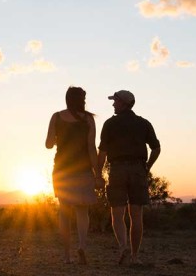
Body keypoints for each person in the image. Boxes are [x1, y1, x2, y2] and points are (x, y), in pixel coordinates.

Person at [96, 90, 160, 265]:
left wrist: (98, 173)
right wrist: (147, 167)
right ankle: (134, 256)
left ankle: (123, 247)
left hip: (117, 169)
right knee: (136, 214)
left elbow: (102, 152)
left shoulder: (109, 124)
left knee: (117, 213)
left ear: (123, 103)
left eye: (115, 101)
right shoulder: (144, 123)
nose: (113, 104)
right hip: (138, 169)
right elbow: (156, 148)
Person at [45, 86, 99, 264]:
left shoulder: (57, 117)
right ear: (80, 100)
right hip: (83, 170)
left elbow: (48, 144)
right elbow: (92, 148)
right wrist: (98, 173)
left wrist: (58, 137)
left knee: (64, 212)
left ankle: (66, 256)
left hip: (62, 170)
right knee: (83, 211)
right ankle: (82, 245)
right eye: (84, 98)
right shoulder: (88, 119)